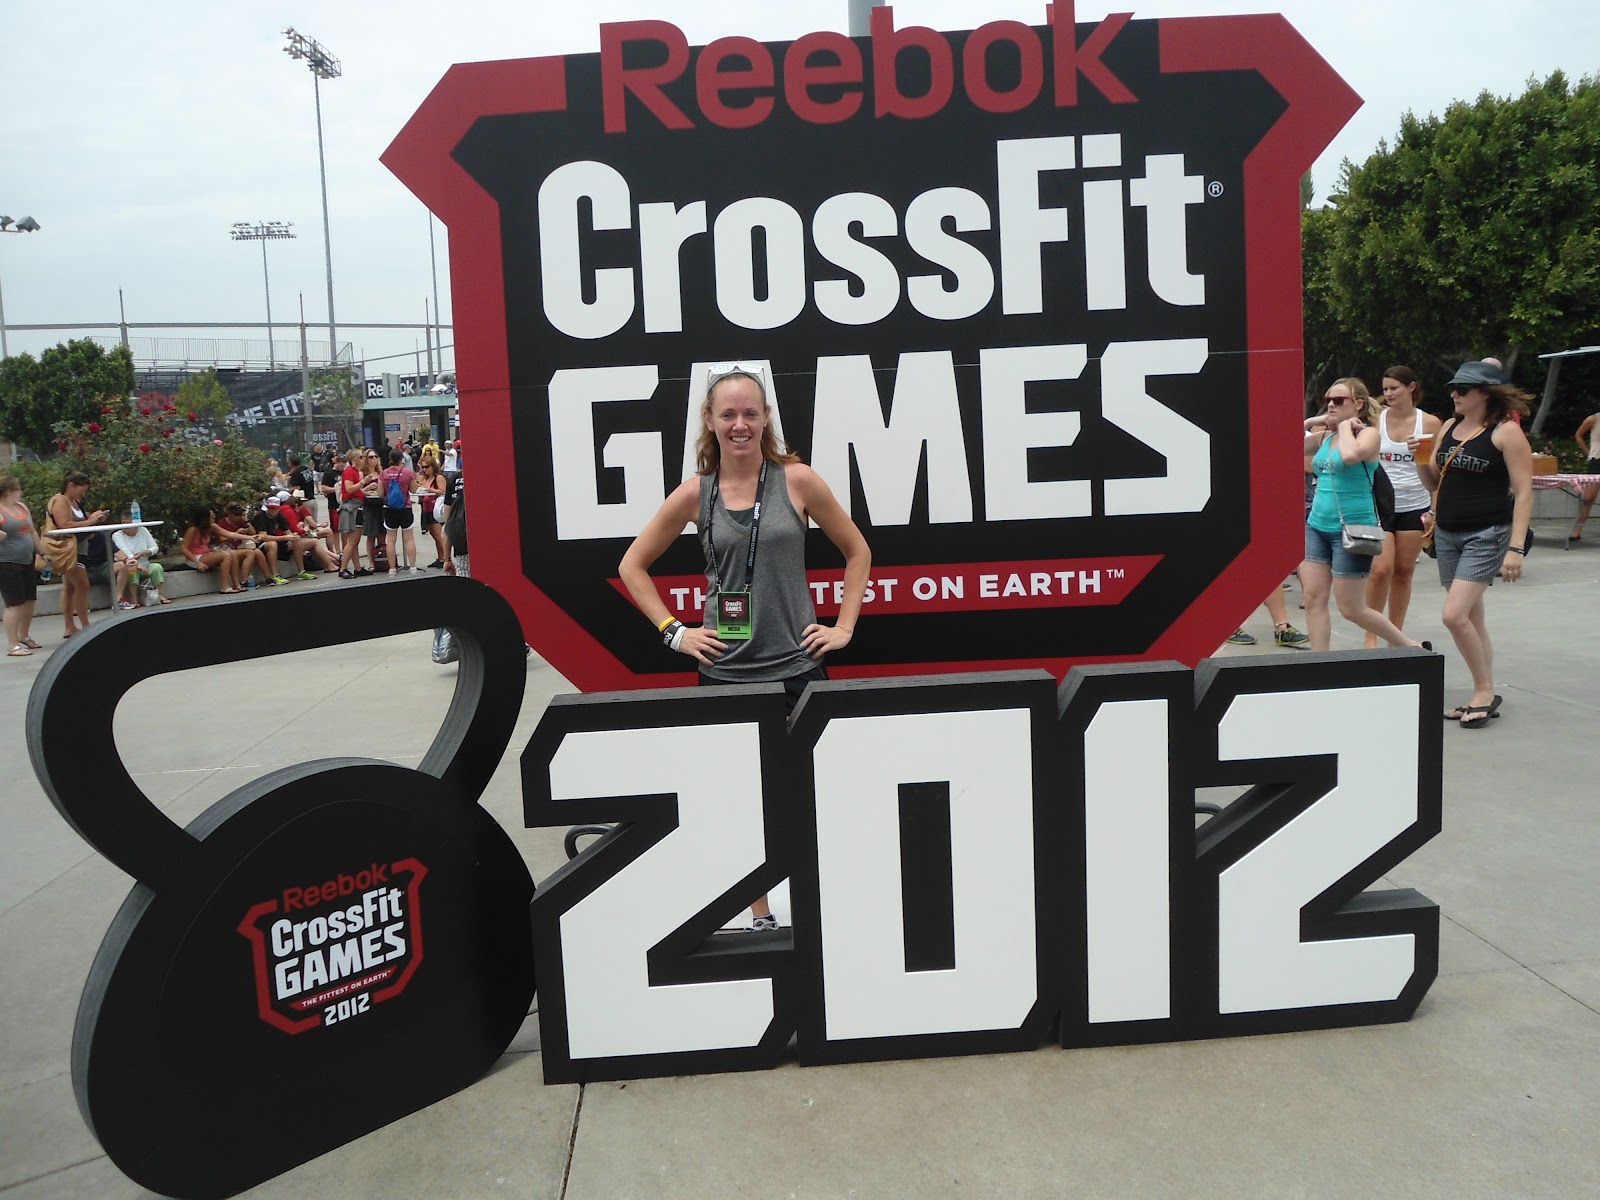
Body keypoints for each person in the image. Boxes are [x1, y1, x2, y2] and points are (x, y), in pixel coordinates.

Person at [619, 363, 870, 931]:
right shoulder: (695, 494)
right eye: (728, 413)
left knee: (811, 794)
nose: (740, 424)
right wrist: (675, 632)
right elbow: (633, 565)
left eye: (750, 413)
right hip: (725, 674)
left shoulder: (798, 481)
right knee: (740, 803)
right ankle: (760, 914)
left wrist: (844, 627)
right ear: (709, 420)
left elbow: (858, 551)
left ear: (765, 419)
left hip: (797, 668)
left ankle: (820, 909)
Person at [1417, 361, 1535, 729]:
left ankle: (1484, 691)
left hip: (1487, 532)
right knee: (1470, 617)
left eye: (1463, 389)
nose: (1454, 394)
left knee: (1453, 615)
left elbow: (1524, 492)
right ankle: (1481, 689)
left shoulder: (1505, 433)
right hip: (1448, 532)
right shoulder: (1449, 427)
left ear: (1485, 393)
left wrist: (1516, 548)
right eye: (1453, 388)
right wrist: (1419, 458)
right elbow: (1434, 482)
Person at [1299, 379, 1430, 653]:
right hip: (1317, 526)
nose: (1331, 405)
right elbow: (1283, 444)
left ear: (1358, 404)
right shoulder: (1325, 437)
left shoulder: (1369, 435)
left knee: (1352, 608)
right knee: (1313, 598)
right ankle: (1319, 662)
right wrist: (1313, 420)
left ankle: (1409, 645)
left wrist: (1345, 427)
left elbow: (1350, 456)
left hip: (1353, 528)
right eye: (1327, 400)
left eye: (1338, 400)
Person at [1362, 365, 1443, 649]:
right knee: (1380, 570)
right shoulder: (1376, 420)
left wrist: (1434, 511)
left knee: (1404, 570)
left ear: (1411, 387)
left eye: (1394, 388)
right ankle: (1371, 634)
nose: (1388, 393)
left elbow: (1437, 471)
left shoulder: (1429, 423)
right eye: (1385, 389)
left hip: (1415, 503)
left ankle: (1395, 636)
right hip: (1380, 504)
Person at [44, 471, 110, 638]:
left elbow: (81, 523)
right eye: (82, 489)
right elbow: (64, 524)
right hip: (68, 549)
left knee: (70, 587)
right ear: (71, 485)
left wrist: (94, 520)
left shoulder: (75, 502)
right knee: (82, 585)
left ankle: (70, 626)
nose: (83, 493)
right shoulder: (61, 500)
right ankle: (85, 625)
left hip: (79, 548)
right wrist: (90, 521)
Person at [0, 473, 47, 655]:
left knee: (29, 599)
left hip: (26, 559)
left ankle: (24, 635)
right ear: (9, 491)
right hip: (7, 562)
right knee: (15, 603)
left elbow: (32, 531)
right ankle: (13, 645)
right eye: (18, 489)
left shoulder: (21, 507)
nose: (20, 493)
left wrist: (42, 551)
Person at [111, 512, 171, 608]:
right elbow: (124, 551)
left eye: (128, 523)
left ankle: (160, 595)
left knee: (157, 567)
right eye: (123, 523)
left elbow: (154, 547)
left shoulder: (143, 530)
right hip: (128, 564)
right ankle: (133, 598)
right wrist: (137, 564)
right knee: (132, 569)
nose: (125, 526)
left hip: (145, 563)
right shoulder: (117, 535)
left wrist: (146, 552)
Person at [181, 507, 244, 594]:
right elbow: (183, 548)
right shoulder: (192, 530)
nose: (214, 518)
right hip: (194, 558)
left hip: (206, 555)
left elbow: (230, 535)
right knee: (226, 555)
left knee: (232, 553)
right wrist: (196, 562)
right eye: (212, 516)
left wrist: (250, 537)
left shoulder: (212, 527)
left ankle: (237, 584)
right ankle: (224, 586)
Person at [379, 449, 419, 574]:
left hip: (390, 509)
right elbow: (414, 490)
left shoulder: (384, 473)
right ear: (401, 458)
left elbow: (380, 493)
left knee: (391, 540)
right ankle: (412, 567)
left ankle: (392, 568)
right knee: (409, 539)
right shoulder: (407, 472)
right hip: (405, 507)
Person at [415, 457, 448, 567]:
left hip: (436, 508)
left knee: (438, 535)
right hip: (426, 508)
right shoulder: (426, 478)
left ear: (433, 466)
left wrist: (429, 489)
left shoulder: (438, 477)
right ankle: (440, 557)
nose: (425, 469)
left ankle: (446, 558)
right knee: (434, 535)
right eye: (423, 467)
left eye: (427, 467)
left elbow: (443, 491)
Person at [1571, 410, 1599, 542]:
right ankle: (1578, 529)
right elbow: (1578, 435)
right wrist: (1588, 452)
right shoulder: (1594, 419)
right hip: (1597, 460)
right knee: (1588, 498)